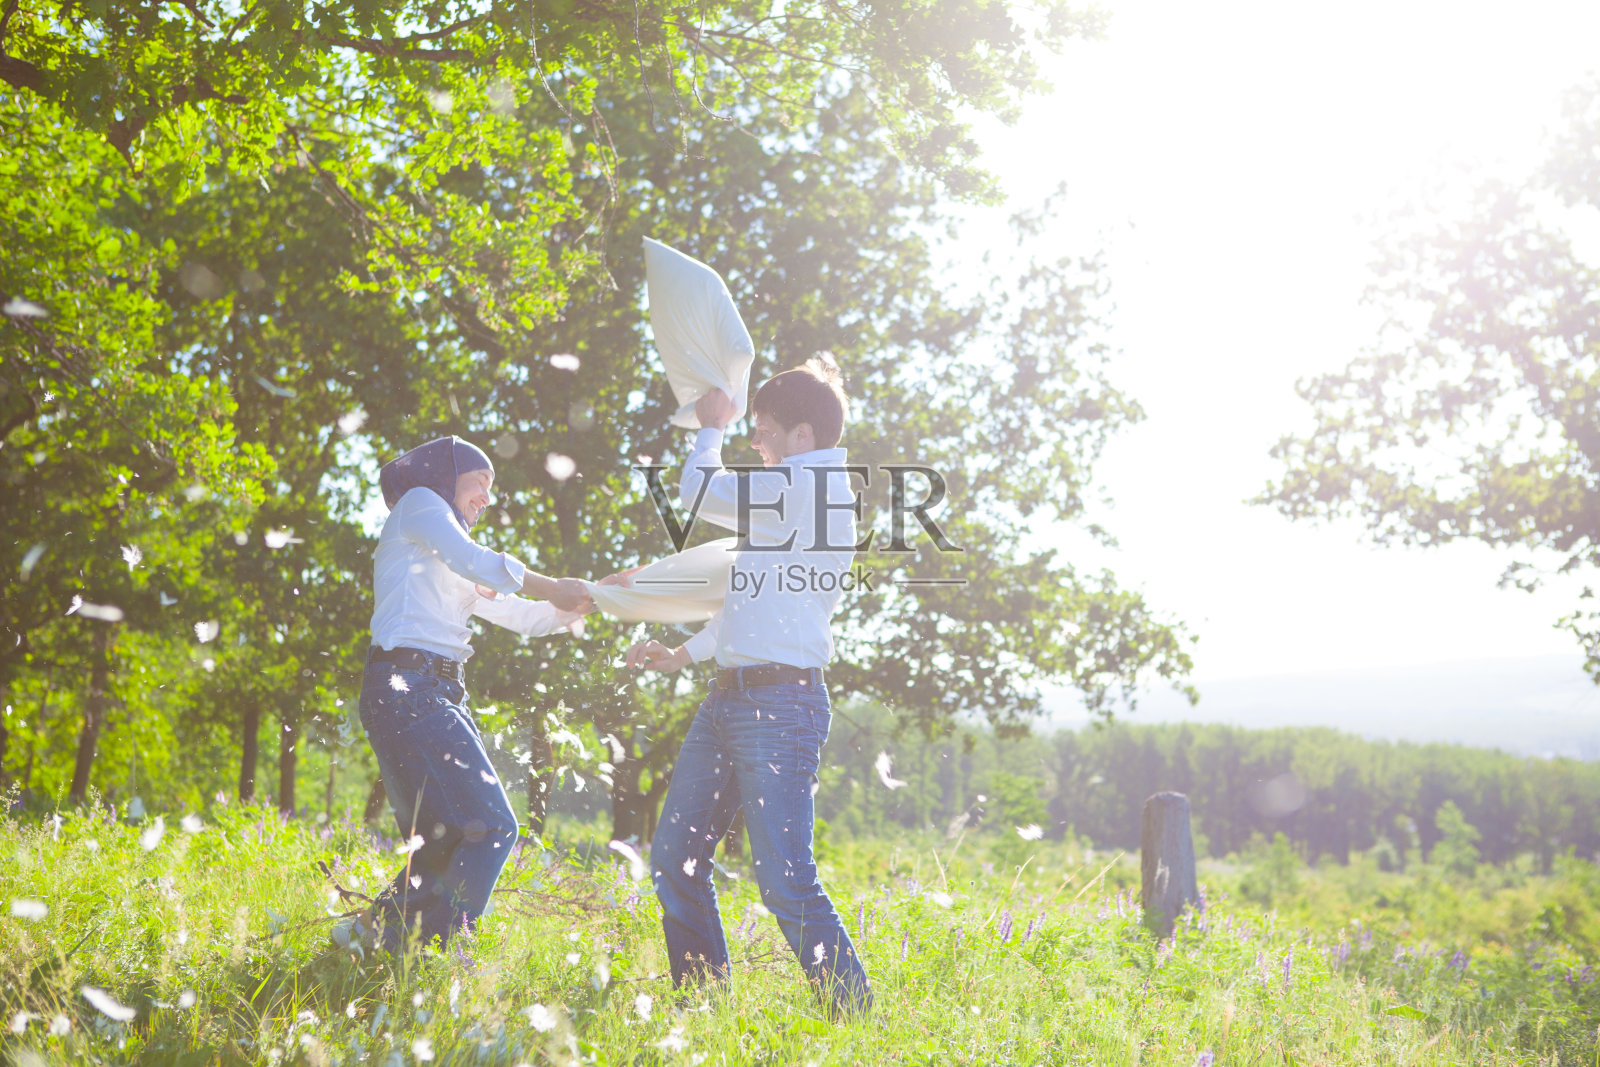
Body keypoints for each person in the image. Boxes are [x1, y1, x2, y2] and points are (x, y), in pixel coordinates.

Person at [624, 358, 872, 1016]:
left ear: (801, 435)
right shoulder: (784, 498)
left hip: (781, 705)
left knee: (786, 880)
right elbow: (748, 598)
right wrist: (681, 654)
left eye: (760, 430)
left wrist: (710, 426)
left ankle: (853, 1017)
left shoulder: (811, 489)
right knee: (676, 858)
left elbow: (697, 491)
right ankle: (702, 1010)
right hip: (727, 700)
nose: (752, 442)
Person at [343, 434, 600, 957]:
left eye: (490, 488)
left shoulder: (448, 557)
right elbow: (476, 560)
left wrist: (592, 599)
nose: (487, 496)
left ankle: (369, 939)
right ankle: (434, 957)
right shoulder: (422, 505)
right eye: (479, 482)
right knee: (492, 827)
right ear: (445, 474)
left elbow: (522, 616)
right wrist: (553, 584)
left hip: (430, 691)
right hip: (408, 687)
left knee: (445, 837)